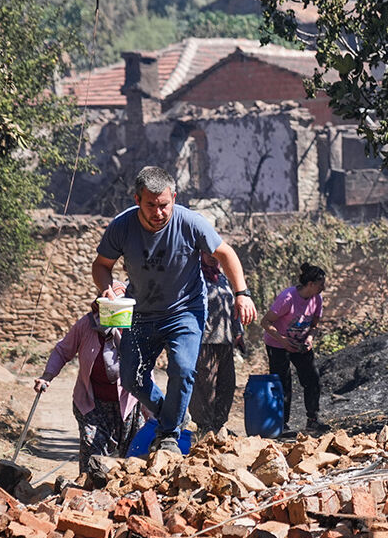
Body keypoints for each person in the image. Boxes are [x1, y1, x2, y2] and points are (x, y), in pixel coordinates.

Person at [92, 166, 257, 455]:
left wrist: (241, 293)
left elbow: (225, 253)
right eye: (150, 205)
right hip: (140, 313)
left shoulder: (191, 222)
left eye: (164, 205)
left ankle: (168, 433)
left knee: (182, 368)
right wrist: (107, 287)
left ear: (174, 198)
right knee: (131, 378)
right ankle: (174, 417)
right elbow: (101, 265)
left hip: (184, 310)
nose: (158, 212)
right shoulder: (122, 226)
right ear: (137, 200)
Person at [34, 297, 142, 478]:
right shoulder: (86, 325)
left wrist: (153, 411)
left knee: (132, 457)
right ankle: (86, 492)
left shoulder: (134, 328)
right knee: (92, 449)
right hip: (92, 402)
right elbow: (63, 350)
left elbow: (145, 370)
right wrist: (47, 376)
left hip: (127, 403)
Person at [262, 263, 329, 433]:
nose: (324, 287)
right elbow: (265, 322)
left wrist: (310, 339)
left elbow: (314, 325)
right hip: (277, 343)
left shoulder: (317, 299)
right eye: (321, 284)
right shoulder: (288, 298)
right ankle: (281, 424)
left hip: (300, 343)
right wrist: (283, 341)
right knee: (283, 383)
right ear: (311, 284)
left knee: (312, 378)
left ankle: (312, 420)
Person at [190, 252, 246, 438]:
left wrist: (239, 333)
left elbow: (233, 306)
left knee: (227, 384)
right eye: (208, 253)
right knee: (205, 386)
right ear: (201, 254)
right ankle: (204, 428)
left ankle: (219, 425)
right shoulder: (193, 277)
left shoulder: (222, 278)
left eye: (216, 253)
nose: (213, 257)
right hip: (204, 340)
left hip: (225, 339)